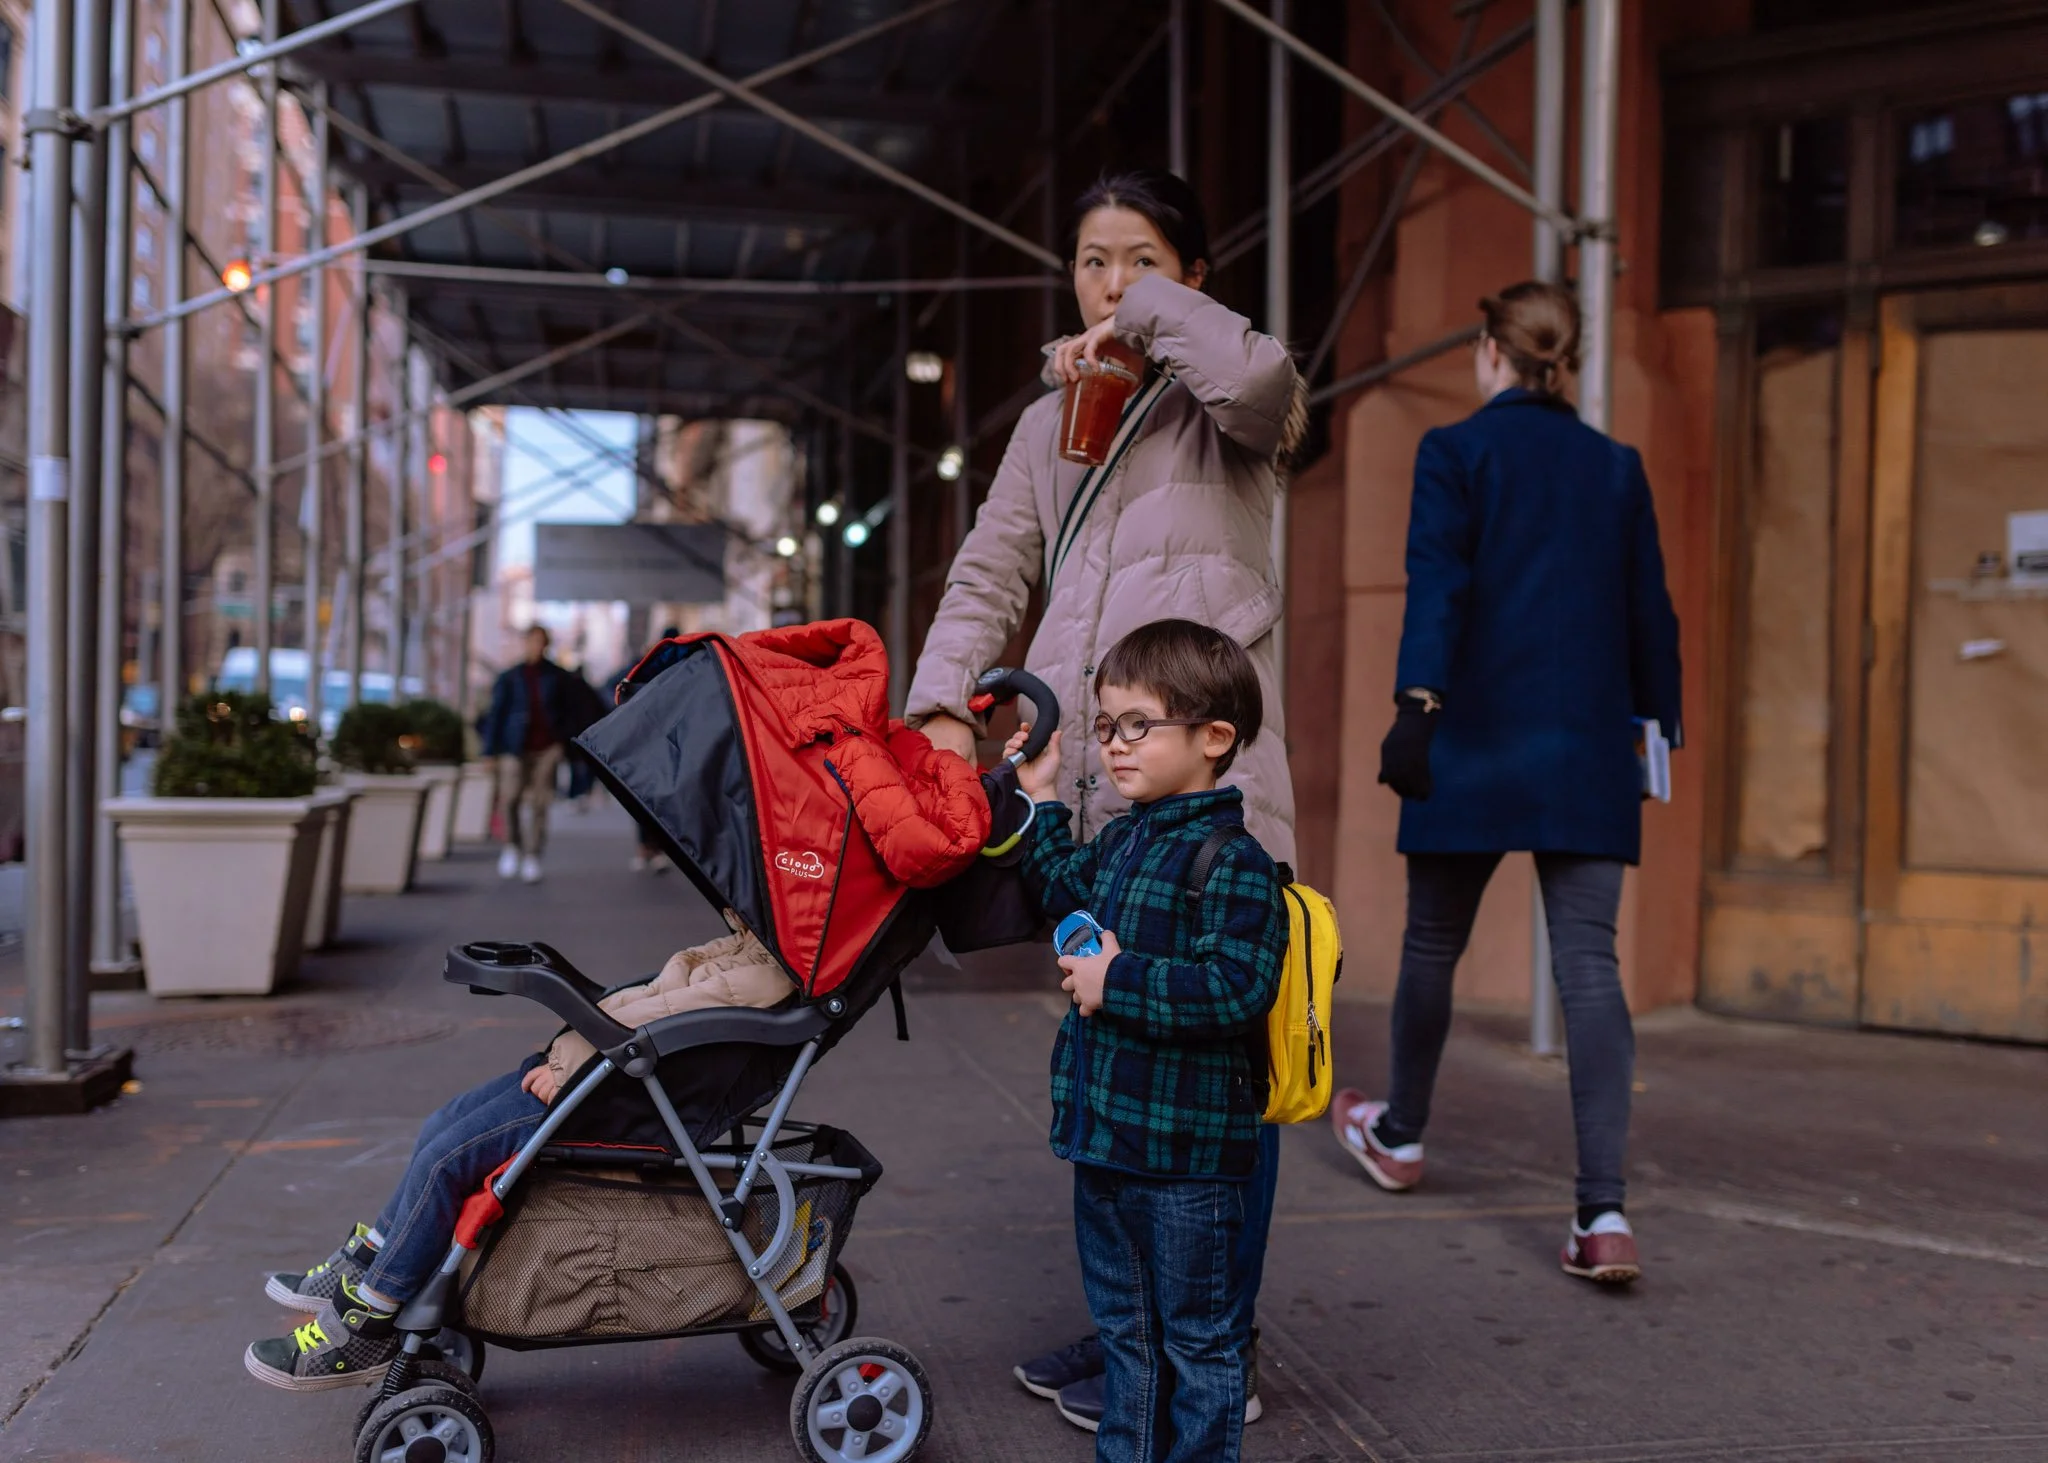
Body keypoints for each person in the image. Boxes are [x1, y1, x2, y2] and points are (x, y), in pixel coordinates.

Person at [902, 166, 1300, 1428]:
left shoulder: (1226, 402)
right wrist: (934, 710)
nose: (1108, 279)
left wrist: (1146, 320)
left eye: (1138, 256)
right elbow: (988, 571)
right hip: (1098, 782)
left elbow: (1258, 379)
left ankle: (1212, 1350)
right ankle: (1135, 1330)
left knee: (1226, 1058)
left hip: (1212, 783)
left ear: (1188, 271)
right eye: (1088, 259)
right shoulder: (1045, 423)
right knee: (1125, 1058)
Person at [1330, 281, 1683, 1286]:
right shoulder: (1615, 468)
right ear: (1559, 359)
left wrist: (1414, 707)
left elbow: (1437, 583)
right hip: (1584, 751)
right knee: (1588, 964)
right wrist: (1657, 726)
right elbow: (1646, 611)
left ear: (1490, 350)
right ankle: (1602, 1213)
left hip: (1475, 740)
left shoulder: (1454, 451)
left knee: (1431, 943)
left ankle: (1398, 1135)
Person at [244, 926, 794, 1391]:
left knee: (446, 1162)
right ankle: (379, 1256)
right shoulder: (749, 949)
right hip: (595, 1073)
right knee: (443, 1125)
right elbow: (647, 1002)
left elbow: (662, 1019)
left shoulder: (764, 975)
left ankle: (372, 1318)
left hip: (614, 1097)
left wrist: (571, 1064)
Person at [1010, 619, 1285, 1463]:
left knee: (1199, 1341)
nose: (1116, 746)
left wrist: (1114, 980)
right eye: (1107, 725)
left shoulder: (1233, 861)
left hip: (1189, 1164)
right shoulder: (1126, 838)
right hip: (1108, 1144)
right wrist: (1043, 794)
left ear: (1213, 737)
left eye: (1138, 725)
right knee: (1125, 1331)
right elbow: (1061, 889)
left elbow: (1237, 988)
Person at [478, 626, 588, 883]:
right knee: (510, 798)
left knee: (540, 803)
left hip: (547, 748)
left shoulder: (557, 677)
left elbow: (571, 711)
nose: (536, 647)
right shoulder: (510, 677)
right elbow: (496, 715)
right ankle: (512, 846)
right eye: (532, 641)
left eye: (540, 642)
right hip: (514, 746)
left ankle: (533, 854)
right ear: (525, 643)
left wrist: (563, 741)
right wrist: (489, 752)